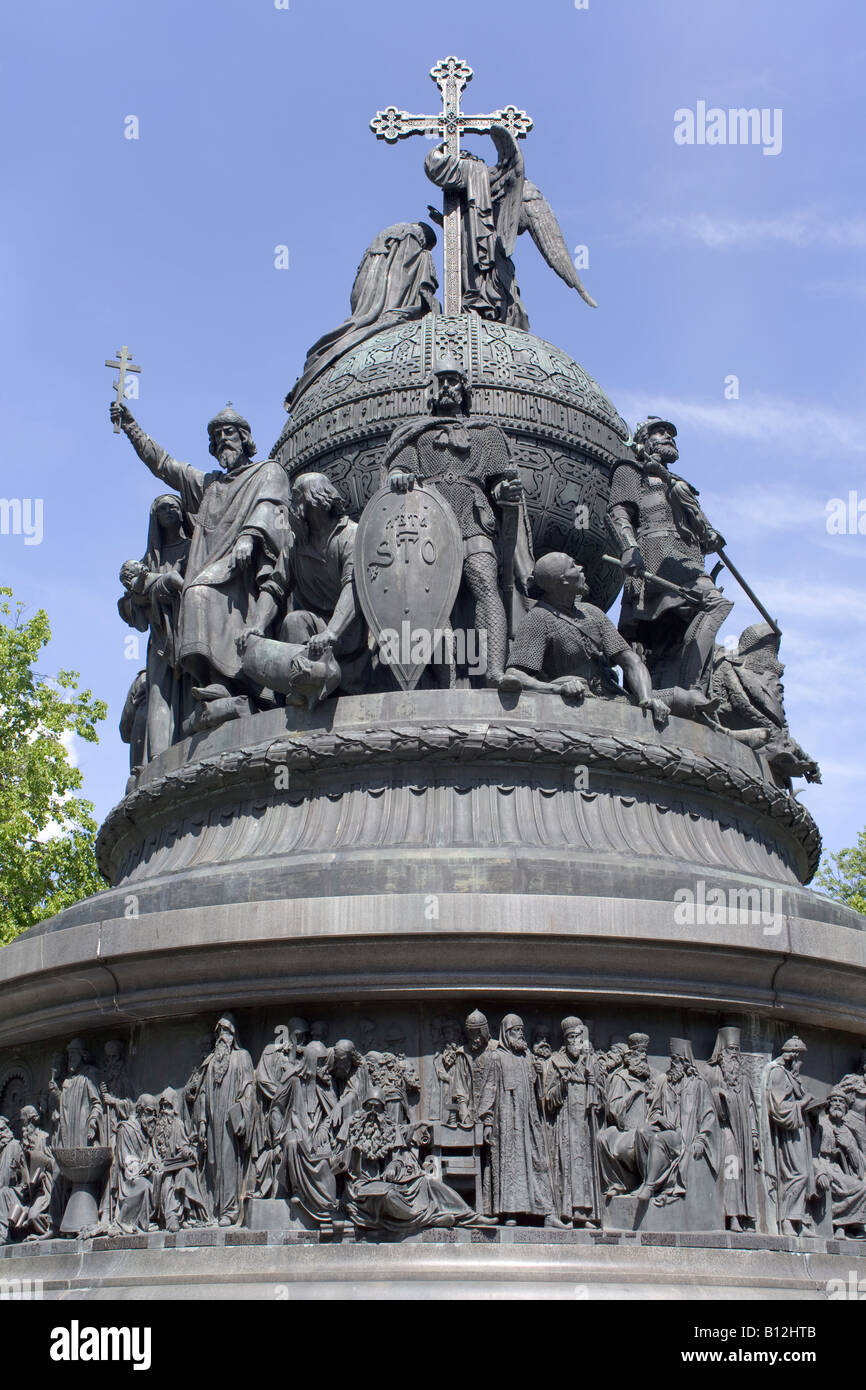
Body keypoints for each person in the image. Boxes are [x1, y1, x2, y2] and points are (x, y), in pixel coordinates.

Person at [110, 400, 291, 728]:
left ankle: (238, 682)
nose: (224, 440)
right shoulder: (209, 485)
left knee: (198, 592)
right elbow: (164, 464)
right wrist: (132, 429)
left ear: (245, 437)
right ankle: (216, 682)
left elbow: (271, 505)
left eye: (230, 433)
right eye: (218, 435)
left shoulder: (267, 471)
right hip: (217, 569)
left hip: (249, 567)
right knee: (195, 591)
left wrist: (249, 537)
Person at [385, 355, 529, 686]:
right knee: (436, 596)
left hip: (474, 515)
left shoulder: (485, 433)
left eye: (454, 381)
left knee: (483, 581)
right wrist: (398, 476)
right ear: (431, 391)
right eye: (442, 382)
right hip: (430, 518)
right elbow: (399, 468)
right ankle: (446, 675)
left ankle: (494, 670)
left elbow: (497, 483)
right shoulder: (417, 435)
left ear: (465, 390)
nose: (448, 387)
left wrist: (505, 489)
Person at [606, 417, 732, 711]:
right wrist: (630, 549)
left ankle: (685, 694)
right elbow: (619, 513)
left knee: (671, 637)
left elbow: (695, 527)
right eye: (659, 432)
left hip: (687, 557)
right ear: (643, 441)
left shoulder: (678, 484)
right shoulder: (631, 471)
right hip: (656, 554)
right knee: (715, 603)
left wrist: (710, 537)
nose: (668, 437)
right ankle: (692, 690)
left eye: (670, 433)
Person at [502, 552, 668, 723]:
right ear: (563, 580)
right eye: (573, 566)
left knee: (687, 700)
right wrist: (556, 689)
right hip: (576, 704)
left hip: (615, 699)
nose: (581, 568)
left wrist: (646, 699)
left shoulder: (592, 613)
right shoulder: (538, 618)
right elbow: (514, 675)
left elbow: (631, 661)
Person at [477, 1013, 564, 1226]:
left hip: (529, 1119)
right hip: (506, 1121)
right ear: (507, 1034)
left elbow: (537, 1091)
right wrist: (487, 1121)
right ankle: (510, 1213)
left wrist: (538, 1076)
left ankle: (547, 1213)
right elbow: (489, 1088)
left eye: (522, 1030)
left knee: (538, 1161)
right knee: (509, 1165)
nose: (521, 1034)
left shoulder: (527, 1057)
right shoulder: (495, 1057)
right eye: (516, 1030)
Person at [185, 1015, 257, 1226]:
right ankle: (213, 1207)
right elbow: (202, 1093)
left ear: (233, 1035)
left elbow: (248, 1087)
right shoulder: (211, 1062)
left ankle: (230, 1210)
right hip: (211, 1119)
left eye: (225, 1031)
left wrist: (243, 1114)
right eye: (219, 1032)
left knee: (228, 1161)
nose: (221, 1036)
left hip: (230, 1119)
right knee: (213, 1163)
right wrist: (201, 1122)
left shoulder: (242, 1057)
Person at [705, 1026, 761, 1232]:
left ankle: (746, 1215)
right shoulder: (711, 1075)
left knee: (743, 1172)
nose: (734, 1055)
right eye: (730, 1051)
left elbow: (751, 1107)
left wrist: (754, 1133)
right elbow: (702, 1104)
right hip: (724, 1131)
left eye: (737, 1051)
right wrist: (717, 1092)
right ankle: (732, 1216)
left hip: (744, 1134)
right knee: (732, 1169)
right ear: (721, 1053)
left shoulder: (744, 1080)